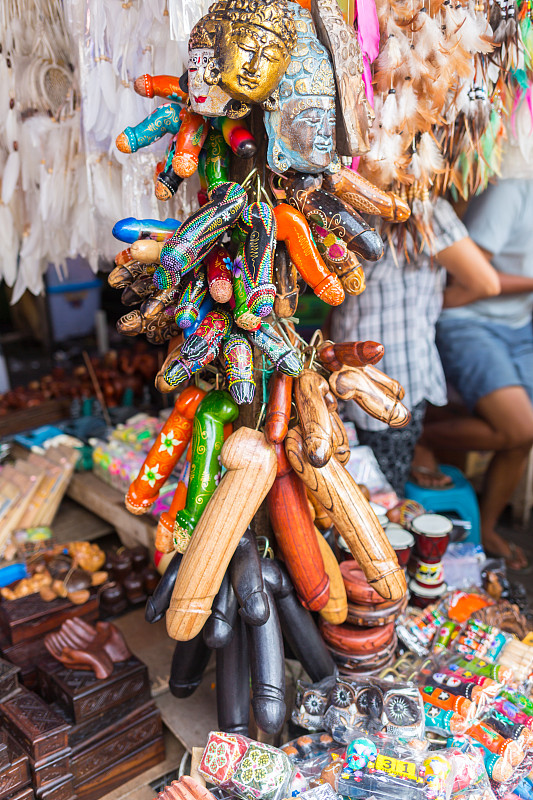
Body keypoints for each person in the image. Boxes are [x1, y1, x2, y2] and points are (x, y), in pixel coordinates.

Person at [330, 196, 500, 498]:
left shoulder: (426, 210)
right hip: (345, 369)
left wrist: (428, 306)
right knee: (350, 487)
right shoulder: (349, 203)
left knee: (381, 497)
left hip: (394, 371)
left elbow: (485, 283)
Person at [422, 151, 533, 570]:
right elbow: (469, 281)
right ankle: (427, 438)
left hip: (517, 321)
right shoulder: (513, 188)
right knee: (520, 426)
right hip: (468, 319)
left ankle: (486, 529)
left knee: (524, 434)